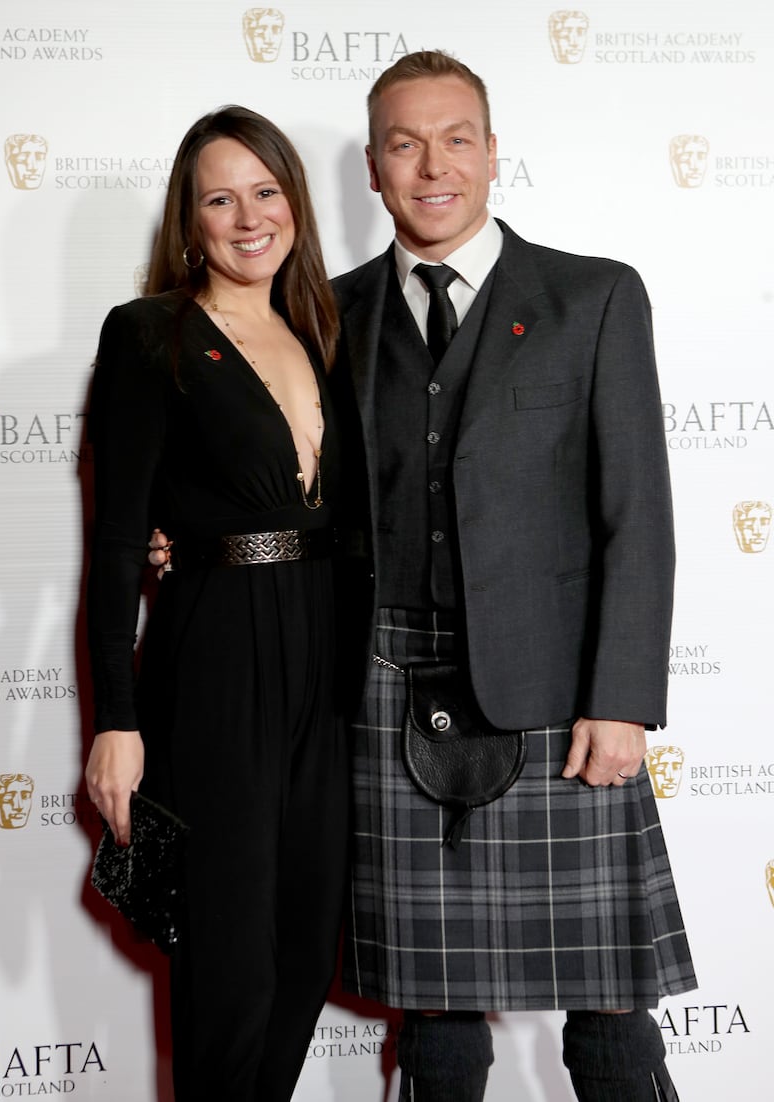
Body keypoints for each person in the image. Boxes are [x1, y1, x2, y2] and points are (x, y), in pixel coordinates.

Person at [329, 51, 696, 1102]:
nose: (430, 164)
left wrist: (619, 700)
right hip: (387, 687)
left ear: (492, 155)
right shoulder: (333, 313)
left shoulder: (592, 297)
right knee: (435, 1012)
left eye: (454, 139)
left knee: (611, 1009)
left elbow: (638, 515)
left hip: (554, 703)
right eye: (403, 143)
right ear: (372, 166)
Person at [84, 105, 347, 1101]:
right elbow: (116, 543)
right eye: (219, 199)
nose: (248, 219)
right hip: (214, 664)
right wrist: (117, 719)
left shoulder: (327, 328)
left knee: (299, 949)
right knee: (228, 965)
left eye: (266, 192)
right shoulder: (150, 332)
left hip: (326, 671)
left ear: (294, 202)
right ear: (187, 221)